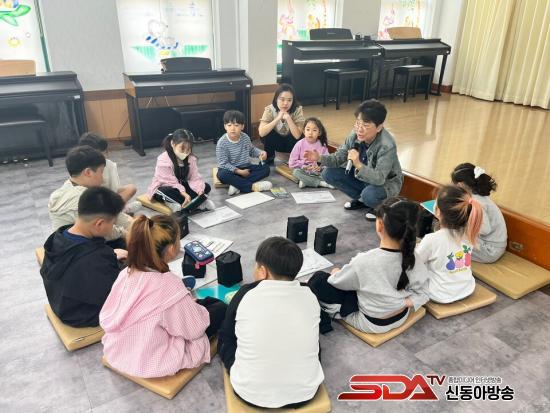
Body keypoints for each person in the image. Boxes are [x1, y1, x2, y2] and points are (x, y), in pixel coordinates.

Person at [100, 214, 227, 378]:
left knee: (197, 304)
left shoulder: (126, 272)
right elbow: (195, 330)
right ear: (172, 248)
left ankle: (190, 304)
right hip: (152, 359)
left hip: (119, 349)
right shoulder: (169, 284)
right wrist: (192, 308)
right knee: (219, 308)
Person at [219, 237, 324, 409]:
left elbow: (227, 333)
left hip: (250, 393)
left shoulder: (245, 293)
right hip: (306, 393)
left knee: (225, 339)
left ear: (263, 271)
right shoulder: (309, 293)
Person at [308, 197, 430, 333]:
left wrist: (335, 272)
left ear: (380, 224)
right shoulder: (414, 258)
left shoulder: (364, 261)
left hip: (371, 323)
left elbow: (336, 282)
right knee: (361, 282)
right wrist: (399, 303)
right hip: (401, 316)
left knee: (318, 280)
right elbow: (424, 293)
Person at [304, 99, 403, 221]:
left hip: (384, 184)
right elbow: (338, 157)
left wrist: (358, 164)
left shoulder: (387, 145)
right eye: (357, 123)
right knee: (328, 173)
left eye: (366, 125)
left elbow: (380, 178)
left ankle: (379, 207)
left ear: (379, 127)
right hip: (363, 179)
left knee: (369, 195)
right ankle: (362, 200)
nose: (359, 129)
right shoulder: (355, 134)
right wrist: (319, 157)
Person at [41, 187, 126, 327]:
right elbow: (115, 295)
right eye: (113, 223)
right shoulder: (95, 259)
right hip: (84, 315)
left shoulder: (57, 237)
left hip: (60, 302)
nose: (113, 228)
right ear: (99, 223)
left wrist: (111, 254)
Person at [48, 146, 131, 247]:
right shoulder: (84, 197)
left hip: (60, 242)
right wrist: (127, 233)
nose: (103, 179)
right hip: (78, 248)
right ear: (88, 172)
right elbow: (105, 229)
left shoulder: (62, 190)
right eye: (101, 172)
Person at [416, 185, 483, 303]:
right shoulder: (470, 234)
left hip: (439, 293)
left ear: (438, 211)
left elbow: (415, 261)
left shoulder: (432, 239)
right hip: (466, 288)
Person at [146, 129, 215, 212]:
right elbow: (169, 181)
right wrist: (183, 193)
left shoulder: (191, 159)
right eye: (182, 148)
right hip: (166, 185)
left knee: (206, 187)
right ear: (173, 144)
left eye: (188, 149)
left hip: (180, 185)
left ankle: (187, 203)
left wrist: (199, 191)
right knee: (165, 191)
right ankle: (195, 203)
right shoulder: (163, 160)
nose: (185, 152)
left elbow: (194, 177)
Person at [451, 163, 507, 263]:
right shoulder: (477, 196)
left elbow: (484, 230)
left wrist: (462, 223)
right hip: (491, 245)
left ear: (460, 184)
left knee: (449, 237)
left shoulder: (476, 202)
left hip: (489, 250)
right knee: (449, 233)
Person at [216, 110, 272, 196]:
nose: (232, 128)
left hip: (246, 166)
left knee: (266, 169)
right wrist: (239, 172)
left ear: (242, 126)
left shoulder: (245, 137)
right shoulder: (222, 142)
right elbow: (224, 163)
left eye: (236, 125)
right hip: (230, 169)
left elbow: (251, 150)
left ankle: (236, 185)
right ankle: (251, 187)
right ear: (225, 126)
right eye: (229, 125)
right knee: (222, 175)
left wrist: (261, 153)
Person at [78, 132, 138, 208]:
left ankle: (116, 209)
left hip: (107, 198)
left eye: (105, 152)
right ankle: (116, 210)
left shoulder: (109, 165)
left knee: (131, 188)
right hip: (90, 203)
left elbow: (114, 190)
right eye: (100, 153)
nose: (104, 156)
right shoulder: (80, 168)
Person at [259, 83, 305, 164]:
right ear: (276, 99)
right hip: (276, 142)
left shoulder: (298, 110)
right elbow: (261, 133)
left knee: (301, 134)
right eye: (282, 99)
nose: (285, 103)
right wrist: (277, 119)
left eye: (289, 100)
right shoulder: (269, 109)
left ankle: (296, 159)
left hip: (291, 143)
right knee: (267, 132)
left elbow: (297, 136)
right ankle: (269, 158)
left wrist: (288, 119)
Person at [288, 117, 334, 189]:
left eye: (314, 130)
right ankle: (322, 183)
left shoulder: (322, 145)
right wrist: (304, 166)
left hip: (318, 173)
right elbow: (291, 163)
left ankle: (306, 181)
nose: (310, 133)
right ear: (304, 131)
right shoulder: (299, 144)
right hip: (304, 171)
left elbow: (327, 161)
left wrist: (320, 167)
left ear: (319, 132)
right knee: (296, 172)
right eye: (308, 129)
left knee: (330, 172)